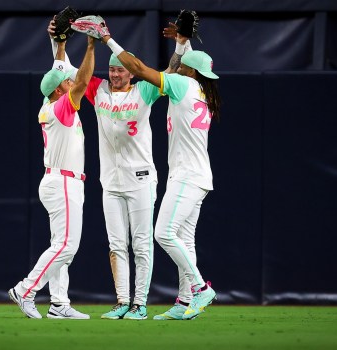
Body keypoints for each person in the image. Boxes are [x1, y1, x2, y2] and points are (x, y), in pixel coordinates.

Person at [47, 19, 193, 320]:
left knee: (141, 244)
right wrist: (58, 41)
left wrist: (180, 44)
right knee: (116, 245)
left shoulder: (144, 91)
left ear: (129, 72)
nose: (115, 74)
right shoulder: (97, 89)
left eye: (120, 70)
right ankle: (122, 301)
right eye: (112, 70)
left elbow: (172, 71)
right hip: (110, 181)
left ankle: (140, 303)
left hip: (140, 178)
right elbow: (64, 72)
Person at [79, 20, 221, 321]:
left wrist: (107, 39)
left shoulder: (182, 84)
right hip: (192, 175)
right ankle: (184, 304)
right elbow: (181, 64)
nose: (179, 68)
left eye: (184, 66)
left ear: (190, 72)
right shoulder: (200, 90)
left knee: (162, 234)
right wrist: (182, 41)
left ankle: (199, 287)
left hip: (184, 175)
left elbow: (148, 71)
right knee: (185, 238)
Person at [8, 34, 95, 320]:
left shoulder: (51, 102)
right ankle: (25, 290)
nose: (72, 83)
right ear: (59, 90)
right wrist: (92, 45)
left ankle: (58, 304)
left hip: (59, 181)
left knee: (60, 245)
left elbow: (63, 71)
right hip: (64, 183)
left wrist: (59, 45)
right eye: (66, 83)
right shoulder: (61, 107)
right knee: (67, 246)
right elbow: (81, 81)